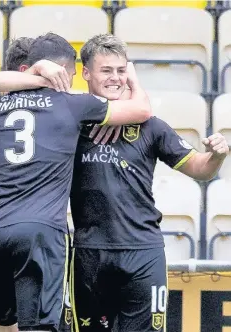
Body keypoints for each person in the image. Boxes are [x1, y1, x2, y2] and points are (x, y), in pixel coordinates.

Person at [68, 34, 229, 332]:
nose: (114, 78)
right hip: (89, 253)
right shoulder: (71, 123)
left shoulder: (151, 125)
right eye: (106, 71)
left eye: (120, 71)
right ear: (86, 73)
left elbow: (200, 169)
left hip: (143, 253)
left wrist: (216, 156)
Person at [0, 33, 152, 332]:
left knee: (2, 322)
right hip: (41, 232)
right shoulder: (72, 104)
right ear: (68, 73)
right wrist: (130, 74)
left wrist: (34, 77)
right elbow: (141, 109)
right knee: (39, 327)